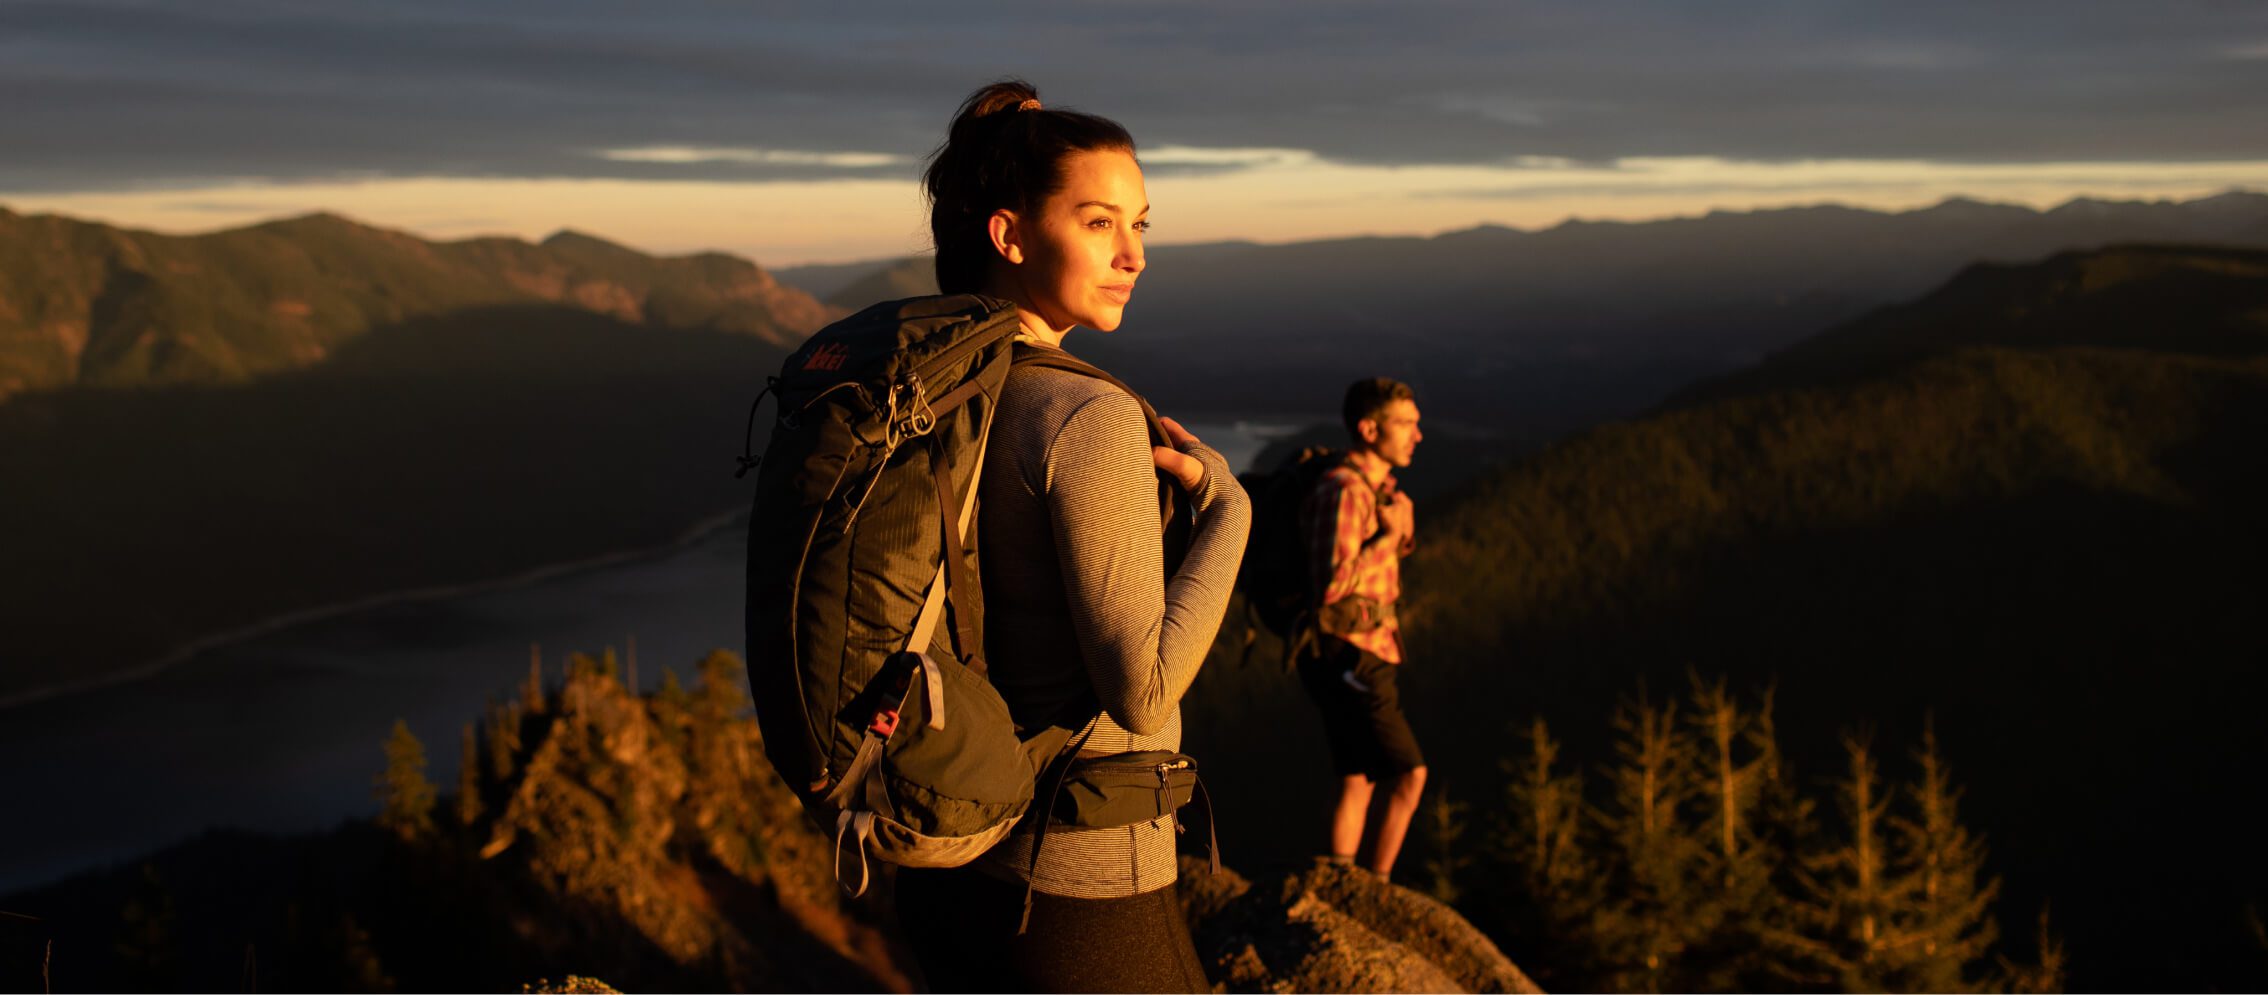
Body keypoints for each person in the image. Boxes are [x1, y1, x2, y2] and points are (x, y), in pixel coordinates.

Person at [889, 79, 1251, 993]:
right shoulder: (1081, 412)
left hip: (958, 853)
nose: (1133, 254)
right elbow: (1142, 688)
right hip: (1083, 879)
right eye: (1099, 223)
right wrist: (1231, 513)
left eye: (1141, 226)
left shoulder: (934, 387)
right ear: (1008, 234)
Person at [1297, 377, 1426, 881]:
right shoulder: (1345, 491)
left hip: (1366, 648)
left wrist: (1400, 534)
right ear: (1370, 429)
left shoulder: (1379, 488)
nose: (1418, 436)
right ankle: (1376, 887)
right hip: (1350, 653)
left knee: (1358, 774)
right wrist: (1390, 537)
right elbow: (1329, 585)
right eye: (1406, 425)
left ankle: (1339, 877)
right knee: (1410, 774)